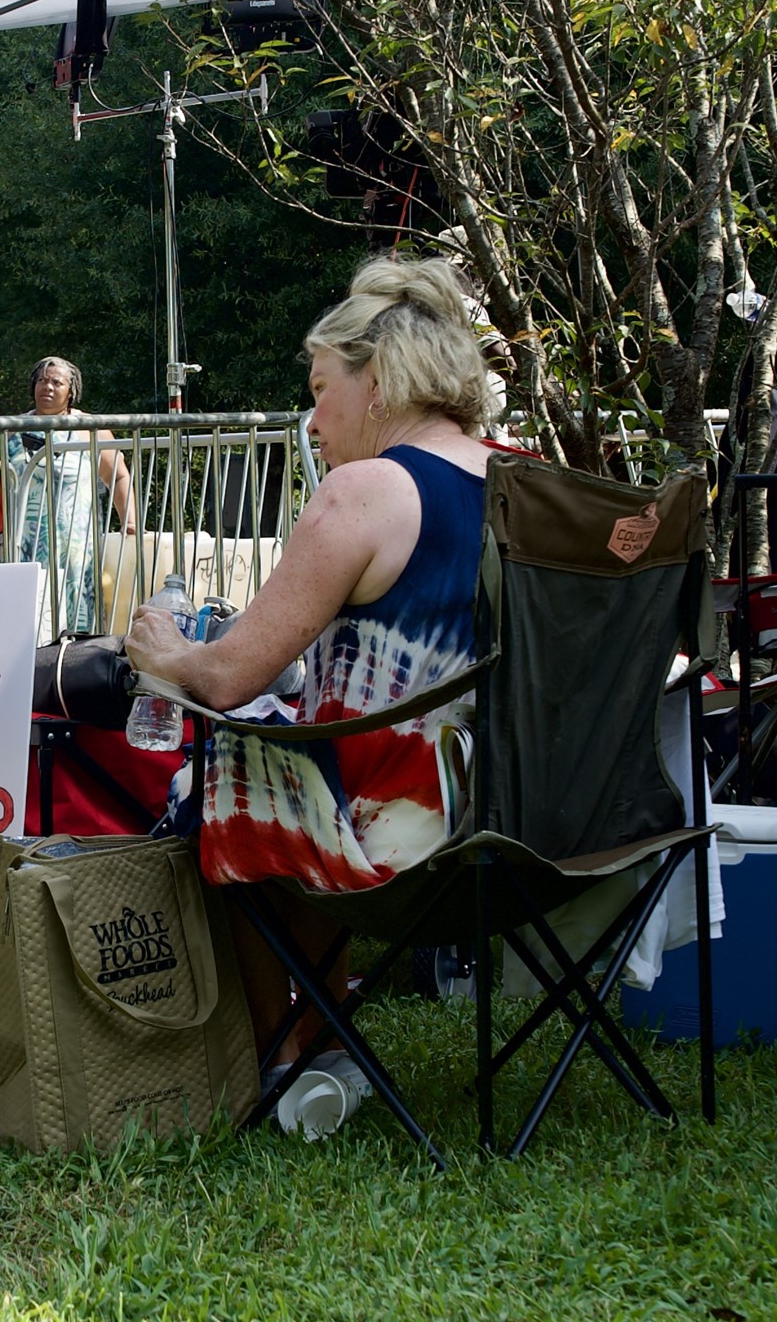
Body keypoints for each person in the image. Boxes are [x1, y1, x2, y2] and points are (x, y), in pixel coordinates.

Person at [124, 254, 498, 1080]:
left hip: (406, 843)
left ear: (378, 384)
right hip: (528, 827)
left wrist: (166, 651)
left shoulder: (368, 490)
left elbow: (227, 680)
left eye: (323, 388)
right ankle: (325, 1040)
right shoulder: (529, 482)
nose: (315, 418)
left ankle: (283, 1056)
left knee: (224, 766)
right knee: (301, 757)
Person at [15, 355, 134, 638]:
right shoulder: (12, 428)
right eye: (42, 380)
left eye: (57, 382)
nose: (48, 387)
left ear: (72, 390)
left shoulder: (90, 428)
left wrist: (129, 521)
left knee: (77, 621)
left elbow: (118, 475)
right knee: (27, 625)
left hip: (76, 549)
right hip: (24, 546)